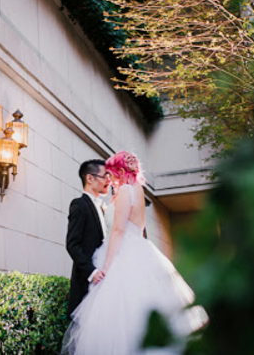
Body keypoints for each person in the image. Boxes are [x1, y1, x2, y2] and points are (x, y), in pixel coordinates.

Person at [62, 151, 207, 355]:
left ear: (120, 170)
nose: (109, 179)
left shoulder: (123, 192)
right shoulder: (138, 190)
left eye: (110, 173)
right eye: (105, 175)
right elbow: (137, 230)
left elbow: (119, 230)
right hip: (140, 249)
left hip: (121, 252)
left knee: (119, 317)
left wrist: (108, 265)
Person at [66, 159, 111, 317]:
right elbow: (72, 244)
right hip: (88, 280)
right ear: (90, 178)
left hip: (105, 279)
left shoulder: (101, 207)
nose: (108, 180)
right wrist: (92, 272)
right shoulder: (79, 205)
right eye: (104, 176)